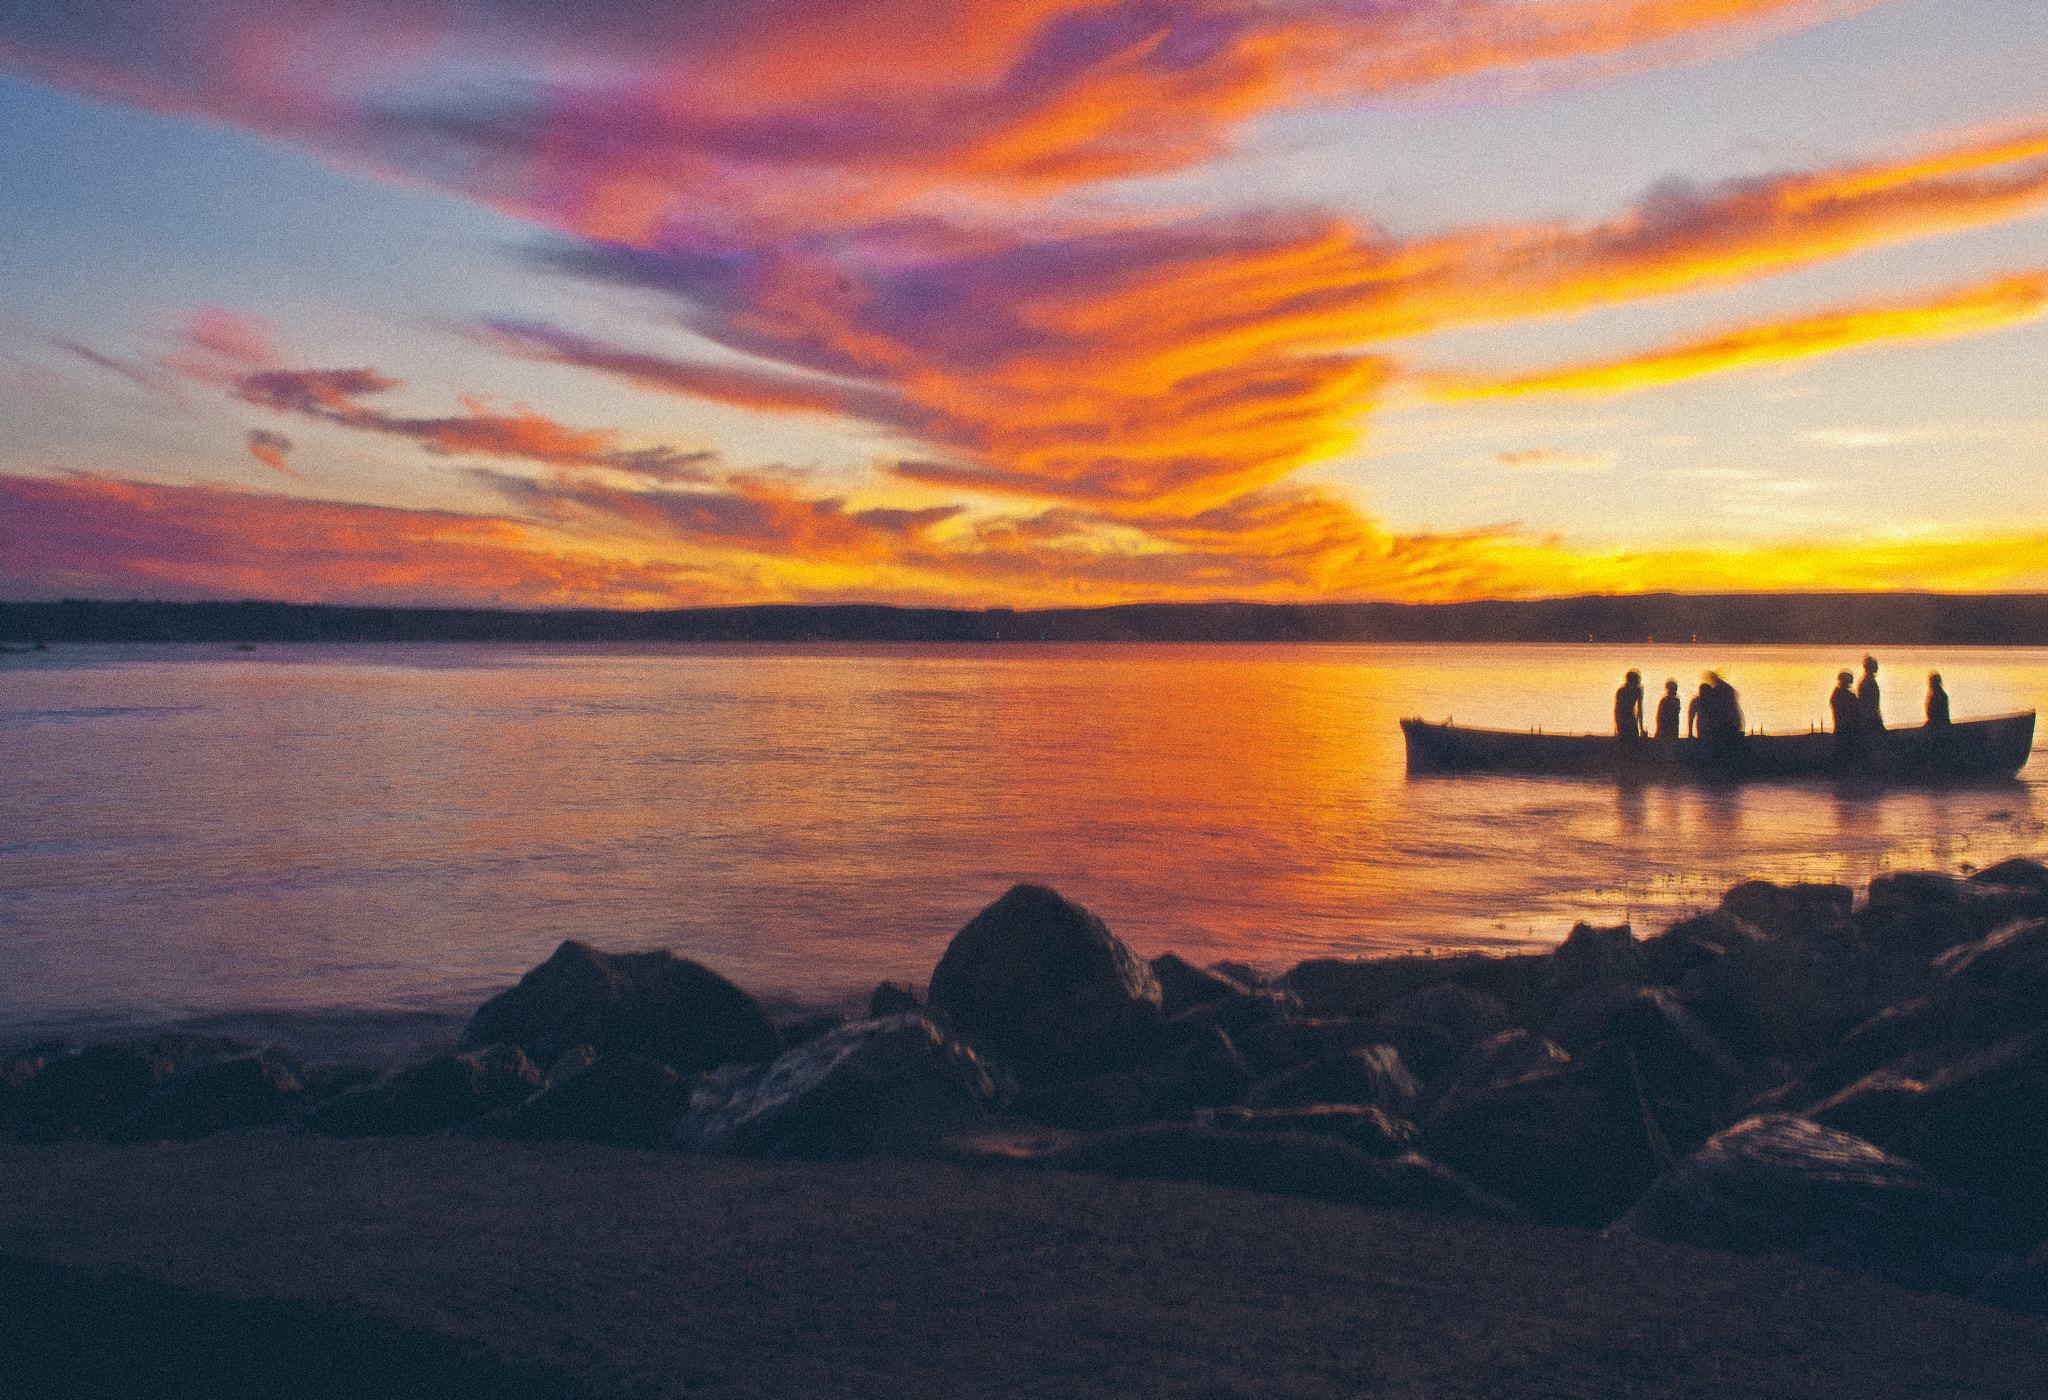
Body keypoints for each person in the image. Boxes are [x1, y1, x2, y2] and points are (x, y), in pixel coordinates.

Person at [1829, 670, 1860, 763]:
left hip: (1840, 727)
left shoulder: (1836, 694)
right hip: (1847, 727)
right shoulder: (1848, 695)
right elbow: (1855, 710)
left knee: (1840, 751)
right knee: (1846, 751)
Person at [1857, 655, 1885, 733]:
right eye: (1875, 666)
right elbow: (1872, 704)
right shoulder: (1869, 682)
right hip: (1870, 718)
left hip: (1869, 717)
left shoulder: (1866, 681)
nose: (1877, 668)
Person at [1614, 670, 1645, 739]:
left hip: (1625, 718)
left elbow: (1616, 710)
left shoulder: (1621, 690)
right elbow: (1639, 710)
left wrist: (1616, 726)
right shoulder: (1637, 690)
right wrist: (1641, 728)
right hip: (1628, 718)